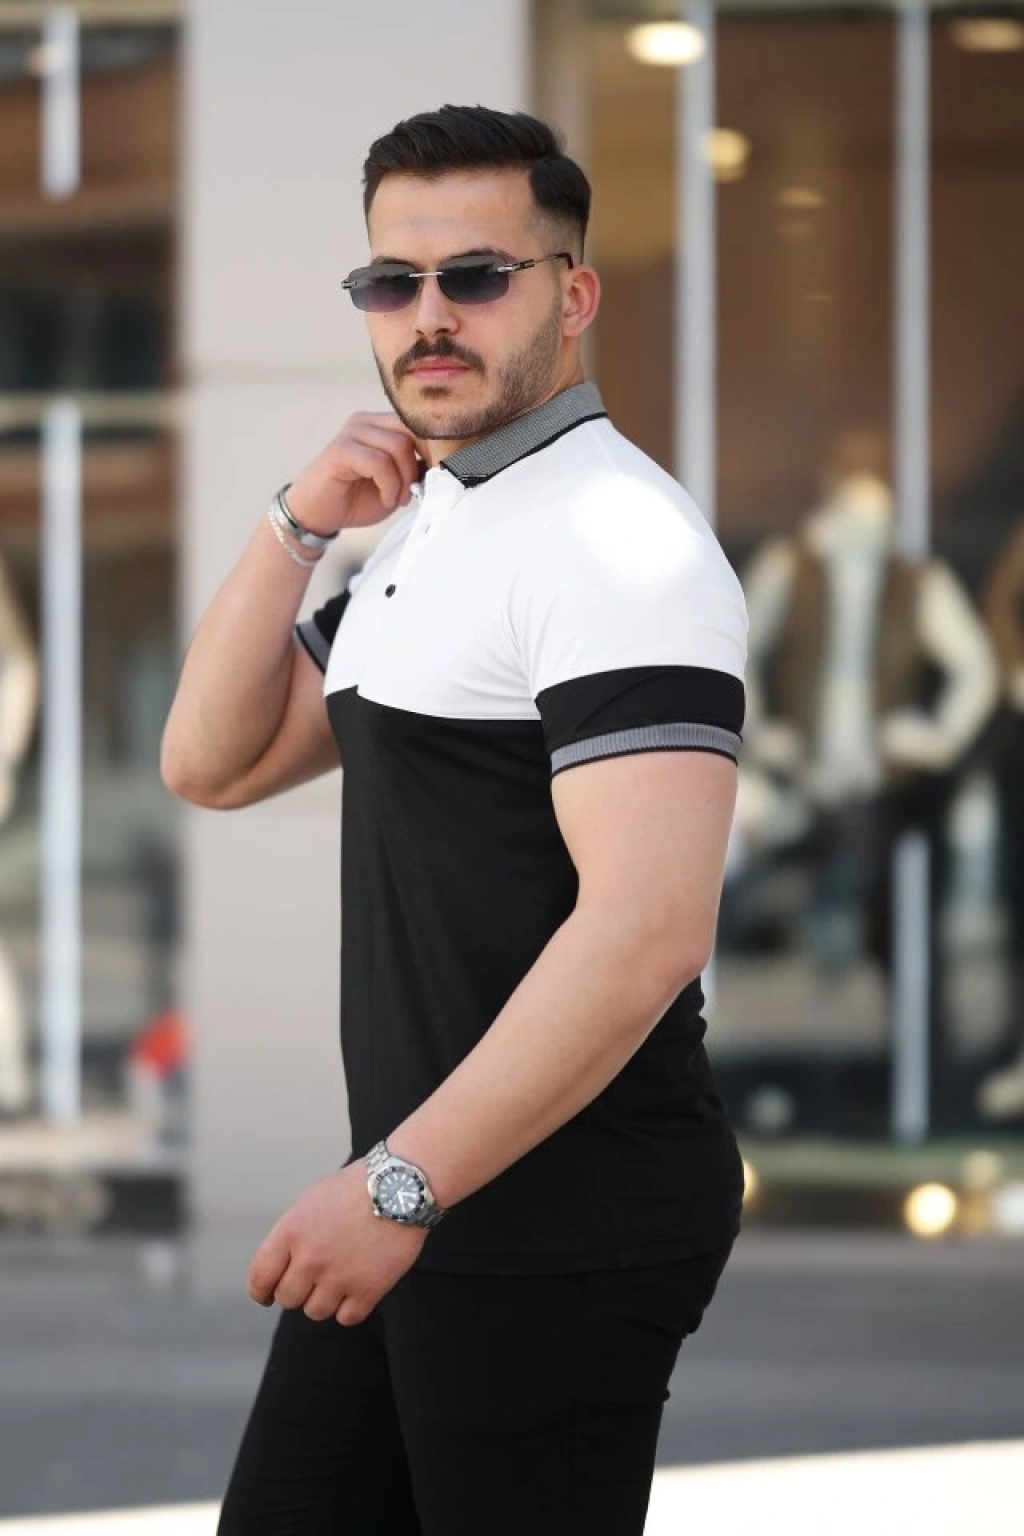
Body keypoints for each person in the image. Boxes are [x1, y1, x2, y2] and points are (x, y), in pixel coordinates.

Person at [162, 105, 748, 1536]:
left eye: (476, 276)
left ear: (572, 294)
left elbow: (649, 929)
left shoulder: (620, 545)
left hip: (559, 1218)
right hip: (421, 1200)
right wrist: (299, 521)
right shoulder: (436, 525)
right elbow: (211, 761)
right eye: (392, 281)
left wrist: (398, 1188)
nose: (428, 316)